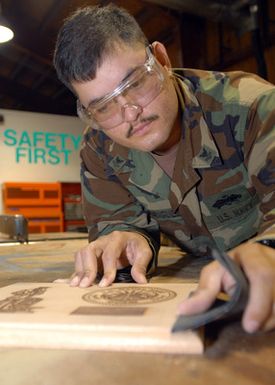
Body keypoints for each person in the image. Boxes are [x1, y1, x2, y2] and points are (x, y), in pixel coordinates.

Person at [53, 4, 275, 333]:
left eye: (135, 85)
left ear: (161, 60)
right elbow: (116, 223)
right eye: (103, 106)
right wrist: (128, 238)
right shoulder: (98, 149)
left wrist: (269, 251)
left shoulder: (253, 108)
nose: (129, 114)